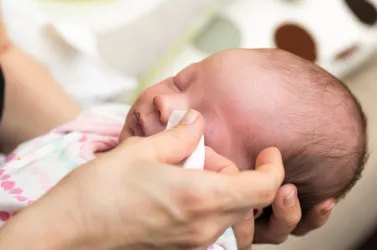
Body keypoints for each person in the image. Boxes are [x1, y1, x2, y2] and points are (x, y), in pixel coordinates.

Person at [0, 14, 334, 249]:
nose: (163, 100)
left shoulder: (184, 238)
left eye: (197, 118)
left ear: (243, 195)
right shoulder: (107, 122)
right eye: (180, 81)